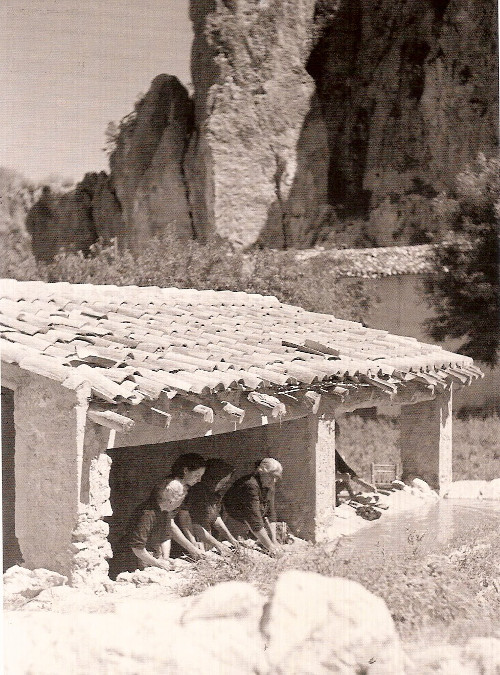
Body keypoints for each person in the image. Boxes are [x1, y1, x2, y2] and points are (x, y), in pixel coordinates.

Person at [122, 453, 207, 570]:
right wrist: (191, 548)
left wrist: (165, 558)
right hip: (138, 555)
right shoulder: (150, 512)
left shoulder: (165, 512)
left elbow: (166, 533)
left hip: (151, 552)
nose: (199, 479)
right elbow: (138, 547)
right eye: (197, 475)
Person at [178, 458, 239, 555]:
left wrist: (231, 539)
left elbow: (214, 516)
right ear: (213, 479)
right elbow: (196, 525)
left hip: (205, 537)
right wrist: (218, 545)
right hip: (192, 539)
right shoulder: (198, 492)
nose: (224, 486)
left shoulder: (213, 493)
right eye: (222, 482)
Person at [223, 457, 283, 556]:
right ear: (261, 472)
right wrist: (271, 548)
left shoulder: (269, 484)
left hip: (252, 522)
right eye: (272, 476)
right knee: (237, 550)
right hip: (234, 520)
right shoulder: (250, 485)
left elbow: (270, 514)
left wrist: (274, 540)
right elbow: (254, 521)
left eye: (277, 477)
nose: (274, 481)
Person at [334, 425, 377, 503]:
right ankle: (353, 499)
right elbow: (321, 476)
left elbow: (347, 470)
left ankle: (353, 499)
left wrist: (366, 485)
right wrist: (338, 476)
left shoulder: (333, 452)